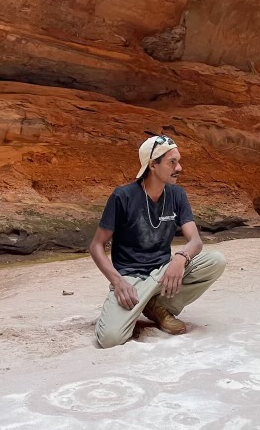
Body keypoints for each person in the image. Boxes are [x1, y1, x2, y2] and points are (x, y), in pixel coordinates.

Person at [90, 134, 226, 348]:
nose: (179, 168)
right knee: (110, 339)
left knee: (216, 261)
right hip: (131, 278)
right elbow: (97, 245)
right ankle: (141, 306)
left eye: (178, 161)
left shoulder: (177, 195)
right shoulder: (123, 196)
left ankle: (157, 305)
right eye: (172, 162)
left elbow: (195, 241)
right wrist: (118, 282)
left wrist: (180, 258)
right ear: (153, 165)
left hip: (164, 271)